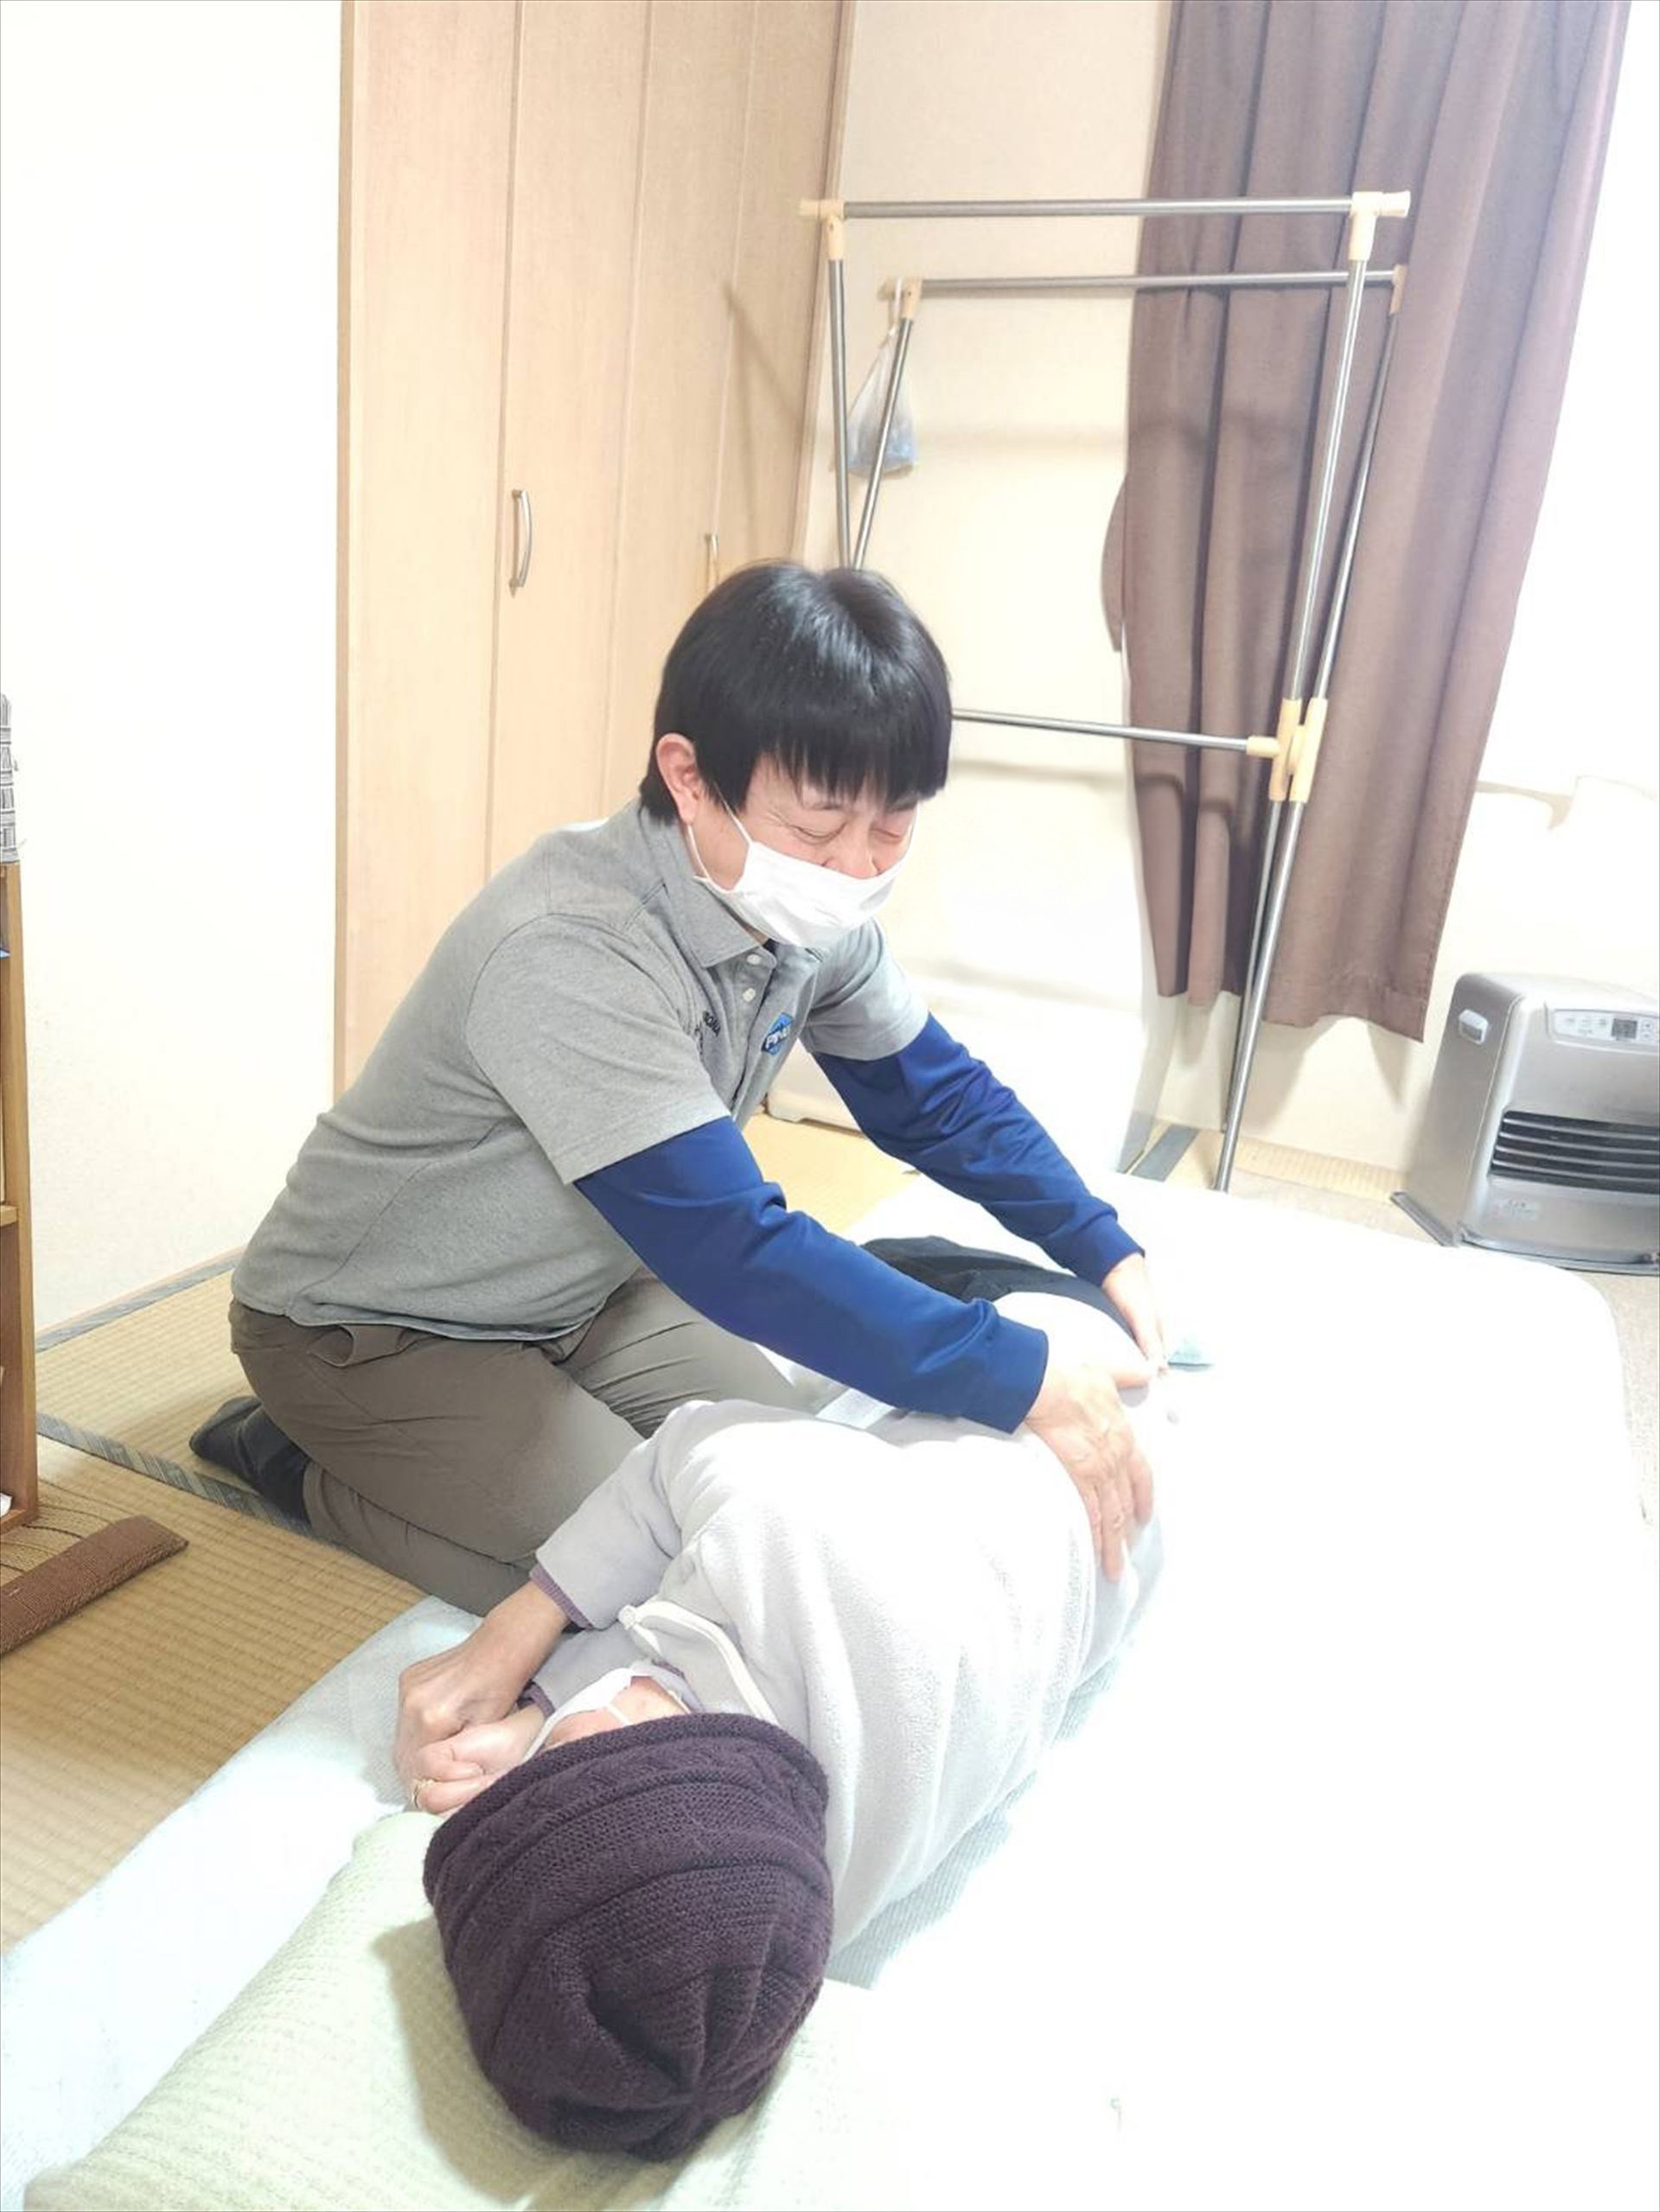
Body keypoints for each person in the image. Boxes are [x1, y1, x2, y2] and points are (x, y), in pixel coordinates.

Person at [195, 563, 1166, 1612]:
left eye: (891, 826)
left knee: (796, 1495)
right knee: (659, 1573)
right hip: (373, 1330)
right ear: (692, 777)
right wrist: (1017, 1372)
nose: (855, 867)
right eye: (818, 826)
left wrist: (1103, 1246)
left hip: (592, 1291)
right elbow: (735, 1251)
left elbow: (935, 1099)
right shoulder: (572, 944)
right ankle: (294, 1461)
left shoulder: (807, 910)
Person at [413, 1290, 1166, 2158]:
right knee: (982, 1318)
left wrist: (538, 1698)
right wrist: (541, 1688)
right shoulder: (787, 1528)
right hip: (1080, 1404)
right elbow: (683, 1449)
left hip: (1109, 1583)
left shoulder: (809, 1913)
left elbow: (675, 1707)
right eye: (557, 1765)